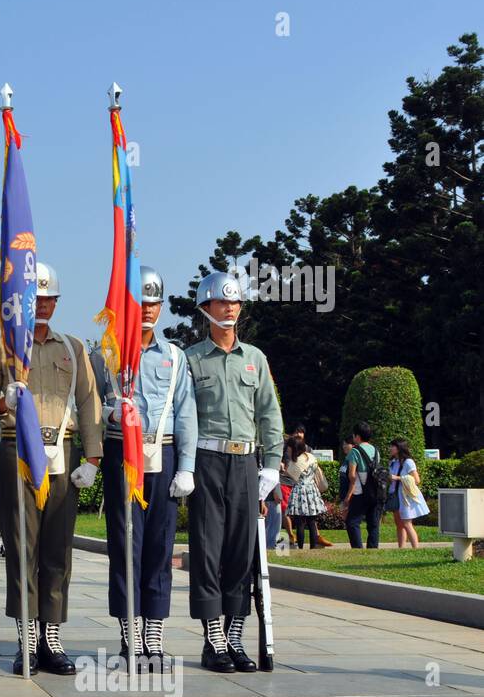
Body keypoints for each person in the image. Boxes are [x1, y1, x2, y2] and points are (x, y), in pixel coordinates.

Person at [0, 262, 103, 675]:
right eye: (39, 298)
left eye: (51, 298)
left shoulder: (73, 348)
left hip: (62, 453)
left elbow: (89, 403)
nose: (45, 304)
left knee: (57, 550)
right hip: (17, 451)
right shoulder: (1, 348)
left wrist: (92, 458)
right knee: (23, 548)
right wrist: (4, 403)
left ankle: (51, 636)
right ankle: (26, 639)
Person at [91, 265, 196, 666]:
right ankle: (129, 630)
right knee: (125, 544)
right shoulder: (106, 355)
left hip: (163, 452)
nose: (147, 310)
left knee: (160, 544)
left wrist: (186, 465)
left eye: (154, 302)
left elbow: (186, 412)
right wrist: (110, 411)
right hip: (123, 452)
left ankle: (154, 629)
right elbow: (89, 406)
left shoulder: (174, 355)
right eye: (141, 302)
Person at [184, 271, 284, 673]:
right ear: (206, 309)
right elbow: (184, 418)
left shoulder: (255, 358)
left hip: (245, 462)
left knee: (243, 553)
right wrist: (185, 468)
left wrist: (272, 467)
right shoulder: (190, 359)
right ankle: (213, 641)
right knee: (208, 551)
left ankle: (235, 637)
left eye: (235, 302)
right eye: (221, 302)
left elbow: (269, 414)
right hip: (206, 461)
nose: (229, 308)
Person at [342, 421, 382, 549]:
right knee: (373, 523)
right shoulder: (375, 450)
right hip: (375, 490)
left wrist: (349, 494)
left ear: (357, 436)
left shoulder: (355, 451)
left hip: (360, 490)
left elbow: (352, 474)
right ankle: (373, 548)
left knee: (352, 522)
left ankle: (357, 548)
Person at [283, 435, 326, 549]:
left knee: (300, 522)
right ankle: (312, 546)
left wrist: (284, 470)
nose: (287, 449)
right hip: (312, 489)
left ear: (293, 448)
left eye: (289, 447)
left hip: (299, 491)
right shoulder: (311, 457)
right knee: (312, 521)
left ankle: (301, 547)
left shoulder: (295, 462)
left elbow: (292, 476)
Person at [387, 437, 429, 548]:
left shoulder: (408, 462)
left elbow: (416, 480)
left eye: (393, 446)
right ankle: (401, 548)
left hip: (405, 497)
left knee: (406, 523)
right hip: (395, 495)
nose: (390, 448)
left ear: (399, 448)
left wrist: (397, 478)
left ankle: (416, 549)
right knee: (399, 524)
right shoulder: (393, 462)